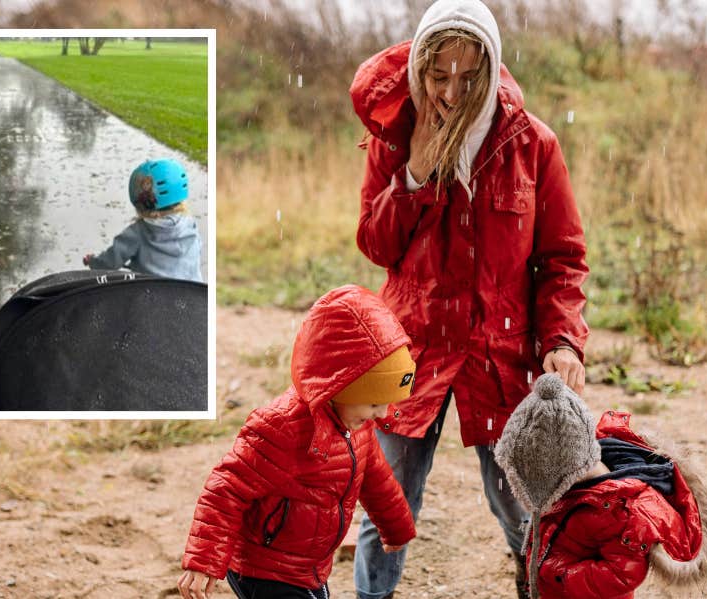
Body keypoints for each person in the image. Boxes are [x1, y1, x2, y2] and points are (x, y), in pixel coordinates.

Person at [349, 0, 590, 596]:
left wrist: (562, 340)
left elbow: (561, 258)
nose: (452, 93)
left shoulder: (533, 144)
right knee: (386, 512)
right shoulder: (394, 137)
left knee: (523, 507)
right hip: (412, 350)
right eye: (438, 76)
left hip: (499, 355)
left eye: (467, 75)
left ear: (490, 67)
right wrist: (412, 178)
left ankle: (535, 588)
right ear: (419, 69)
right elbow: (376, 246)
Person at [177, 285, 418, 599]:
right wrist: (203, 560)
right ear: (339, 386)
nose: (381, 414)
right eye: (373, 403)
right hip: (264, 566)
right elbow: (225, 489)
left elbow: (377, 482)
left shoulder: (356, 426)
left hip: (309, 566)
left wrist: (397, 527)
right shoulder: (281, 427)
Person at [494, 374, 707, 598]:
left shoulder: (618, 510)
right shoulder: (568, 487)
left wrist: (560, 575)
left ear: (560, 468)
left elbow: (624, 573)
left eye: (532, 476)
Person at [83, 158, 203, 282]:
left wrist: (93, 261)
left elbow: (110, 262)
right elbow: (197, 251)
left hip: (152, 296)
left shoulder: (138, 232)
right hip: (193, 294)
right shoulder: (190, 224)